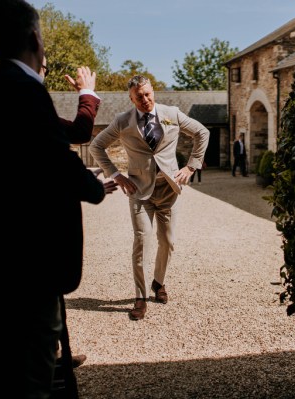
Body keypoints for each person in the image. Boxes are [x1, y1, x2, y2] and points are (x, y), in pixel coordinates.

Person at [0, 0, 116, 397]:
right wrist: (91, 187)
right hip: (28, 262)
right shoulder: (23, 91)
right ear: (35, 38)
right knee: (28, 378)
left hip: (0, 256)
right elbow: (58, 159)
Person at [89, 75, 209, 321]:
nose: (145, 100)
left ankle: (159, 283)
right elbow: (96, 146)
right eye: (139, 97)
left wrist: (190, 167)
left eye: (147, 94)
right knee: (141, 242)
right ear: (131, 99)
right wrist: (115, 175)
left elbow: (202, 132)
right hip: (139, 192)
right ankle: (140, 297)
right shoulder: (123, 121)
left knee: (168, 241)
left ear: (152, 91)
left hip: (168, 191)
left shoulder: (172, 113)